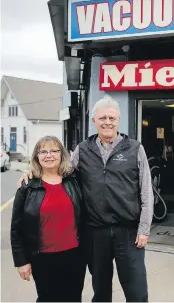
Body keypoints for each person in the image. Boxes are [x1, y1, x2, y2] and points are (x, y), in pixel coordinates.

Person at [18, 96, 154, 302]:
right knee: (101, 288)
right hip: (95, 232)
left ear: (119, 120)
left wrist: (144, 228)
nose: (107, 122)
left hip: (129, 232)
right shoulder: (83, 149)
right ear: (94, 121)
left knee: (136, 288)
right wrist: (33, 173)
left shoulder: (135, 148)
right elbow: (61, 172)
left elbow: (146, 191)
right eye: (103, 118)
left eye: (112, 118)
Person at [11, 136, 86, 302]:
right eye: (43, 151)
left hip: (74, 255)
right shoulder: (27, 186)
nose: (49, 155)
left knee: (73, 299)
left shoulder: (74, 179)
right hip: (42, 258)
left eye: (54, 150)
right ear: (37, 156)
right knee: (47, 298)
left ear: (62, 154)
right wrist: (21, 261)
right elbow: (16, 228)